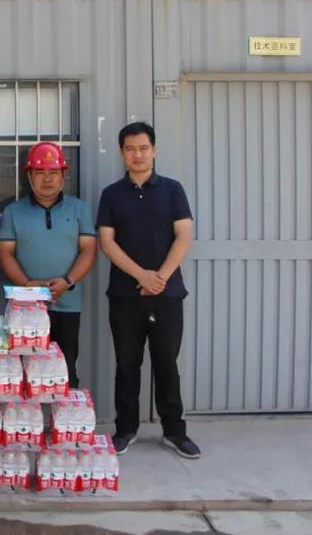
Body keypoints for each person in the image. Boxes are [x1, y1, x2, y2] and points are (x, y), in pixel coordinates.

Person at [96, 121, 200, 459]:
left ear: (154, 150)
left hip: (167, 295)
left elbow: (184, 235)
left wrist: (160, 278)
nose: (137, 154)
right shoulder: (111, 194)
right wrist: (141, 275)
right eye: (130, 149)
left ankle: (175, 431)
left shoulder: (173, 190)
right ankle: (125, 429)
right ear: (122, 153)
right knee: (127, 364)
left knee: (166, 363)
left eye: (143, 148)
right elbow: (107, 242)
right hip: (125, 296)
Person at [0, 141, 97, 388]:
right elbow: (5, 253)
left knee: (65, 369)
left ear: (63, 175)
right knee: (23, 372)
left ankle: (64, 414)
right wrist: (28, 286)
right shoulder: (13, 211)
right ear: (29, 176)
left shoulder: (79, 209)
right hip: (25, 307)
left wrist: (68, 282)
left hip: (68, 304)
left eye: (53, 172)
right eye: (40, 172)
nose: (47, 179)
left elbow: (89, 250)